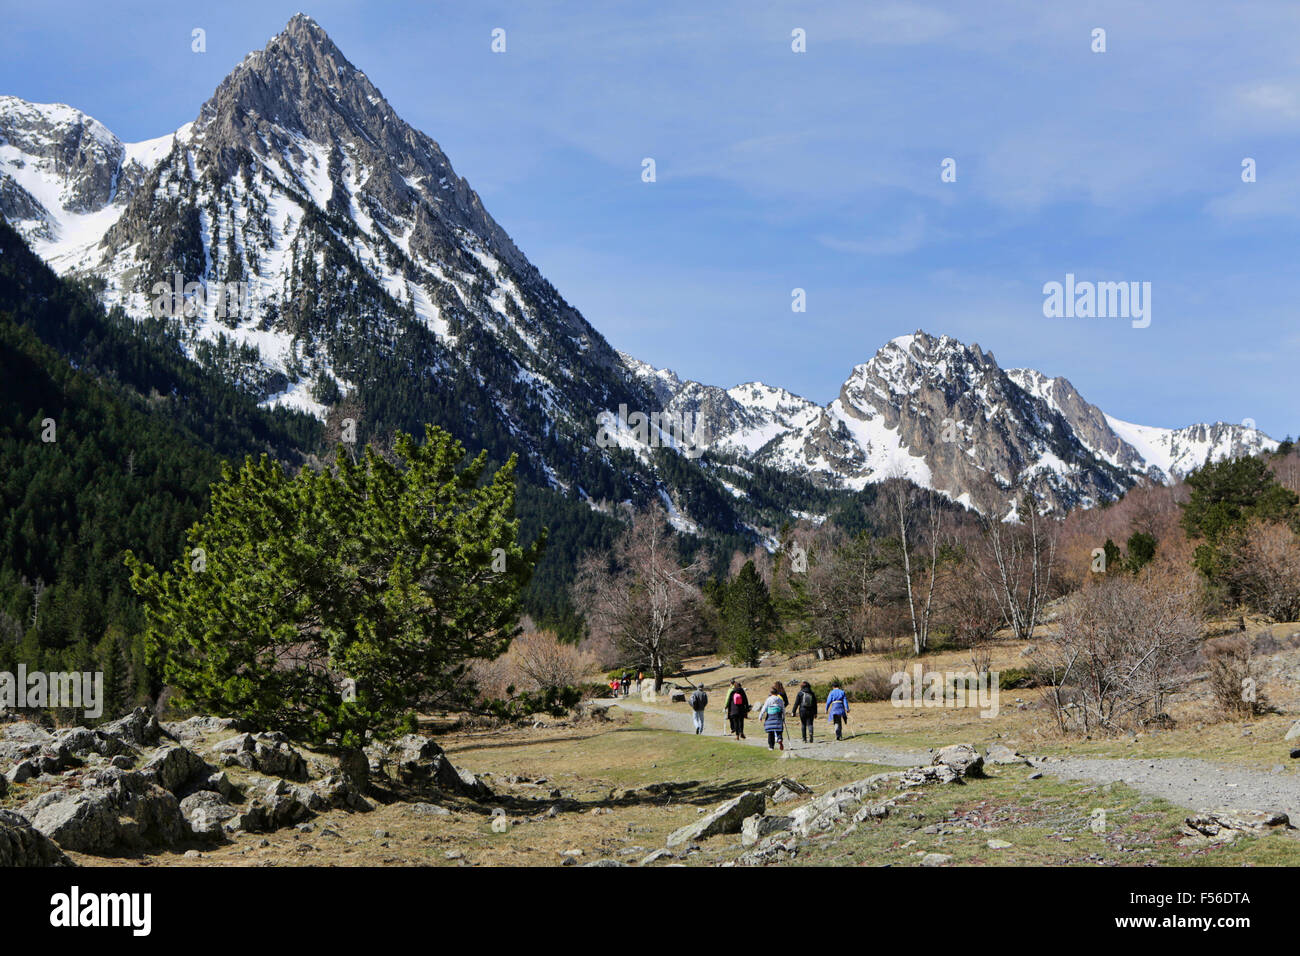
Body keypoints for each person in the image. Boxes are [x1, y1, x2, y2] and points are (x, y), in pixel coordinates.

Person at [761, 683, 786, 751]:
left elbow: (764, 708)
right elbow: (783, 708)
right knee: (779, 729)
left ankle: (771, 746)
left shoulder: (768, 699)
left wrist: (760, 716)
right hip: (778, 715)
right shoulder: (780, 699)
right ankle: (779, 738)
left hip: (770, 716)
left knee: (770, 731)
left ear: (771, 693)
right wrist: (784, 716)